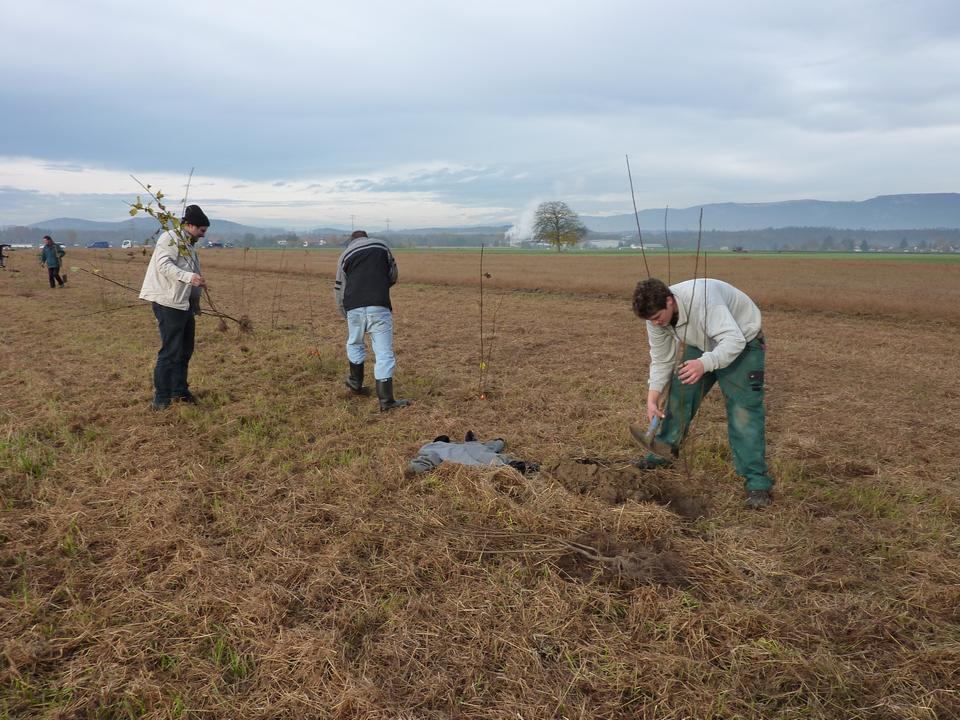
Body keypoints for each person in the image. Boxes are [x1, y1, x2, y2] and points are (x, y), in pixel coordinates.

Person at [631, 277, 774, 509]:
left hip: (741, 342)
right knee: (680, 394)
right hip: (702, 342)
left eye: (657, 317)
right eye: (650, 320)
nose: (655, 323)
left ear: (669, 301)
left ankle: (756, 481)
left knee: (743, 412)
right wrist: (652, 396)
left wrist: (704, 364)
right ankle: (662, 452)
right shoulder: (655, 318)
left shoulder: (705, 301)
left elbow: (734, 340)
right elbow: (661, 358)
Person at [138, 205, 209, 410]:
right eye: (201, 230)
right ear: (190, 225)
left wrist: (195, 302)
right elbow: (163, 265)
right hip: (168, 303)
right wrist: (189, 277)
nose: (203, 235)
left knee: (185, 350)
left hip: (184, 305)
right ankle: (161, 399)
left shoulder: (189, 245)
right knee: (170, 352)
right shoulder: (170, 238)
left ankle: (180, 391)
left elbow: (192, 275)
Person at [333, 230, 409, 411]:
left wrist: (345, 312)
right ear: (366, 237)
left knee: (355, 342)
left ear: (351, 241)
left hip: (353, 307)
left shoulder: (345, 255)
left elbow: (339, 288)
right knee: (384, 352)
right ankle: (386, 401)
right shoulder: (382, 246)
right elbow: (393, 274)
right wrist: (379, 286)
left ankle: (355, 383)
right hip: (379, 305)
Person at [405, 431, 539, 478]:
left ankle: (514, 466)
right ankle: (514, 466)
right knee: (491, 457)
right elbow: (490, 446)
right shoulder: (432, 447)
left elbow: (427, 460)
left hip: (468, 458)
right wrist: (499, 441)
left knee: (490, 458)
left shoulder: (434, 448)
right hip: (472, 457)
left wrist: (414, 468)